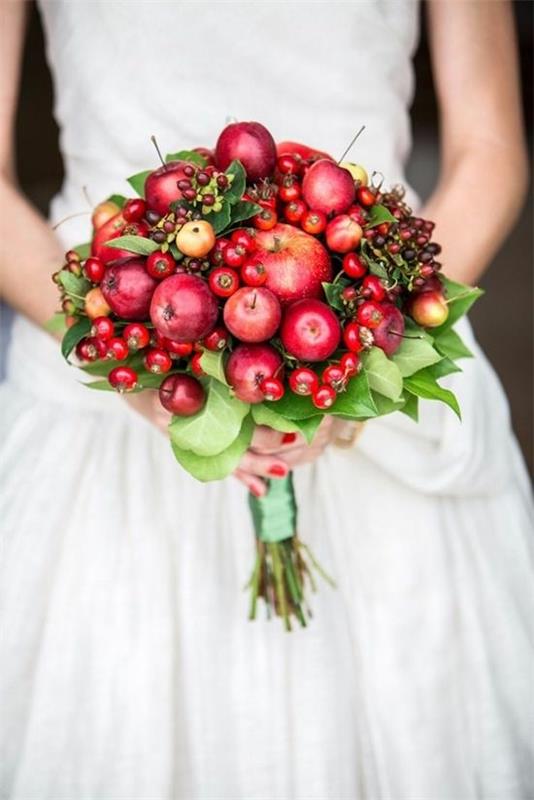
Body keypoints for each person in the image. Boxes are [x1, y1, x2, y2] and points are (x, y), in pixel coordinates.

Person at [1, 1, 532, 798]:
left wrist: (370, 348)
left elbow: (490, 149)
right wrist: (138, 373)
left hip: (363, 358)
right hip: (111, 381)